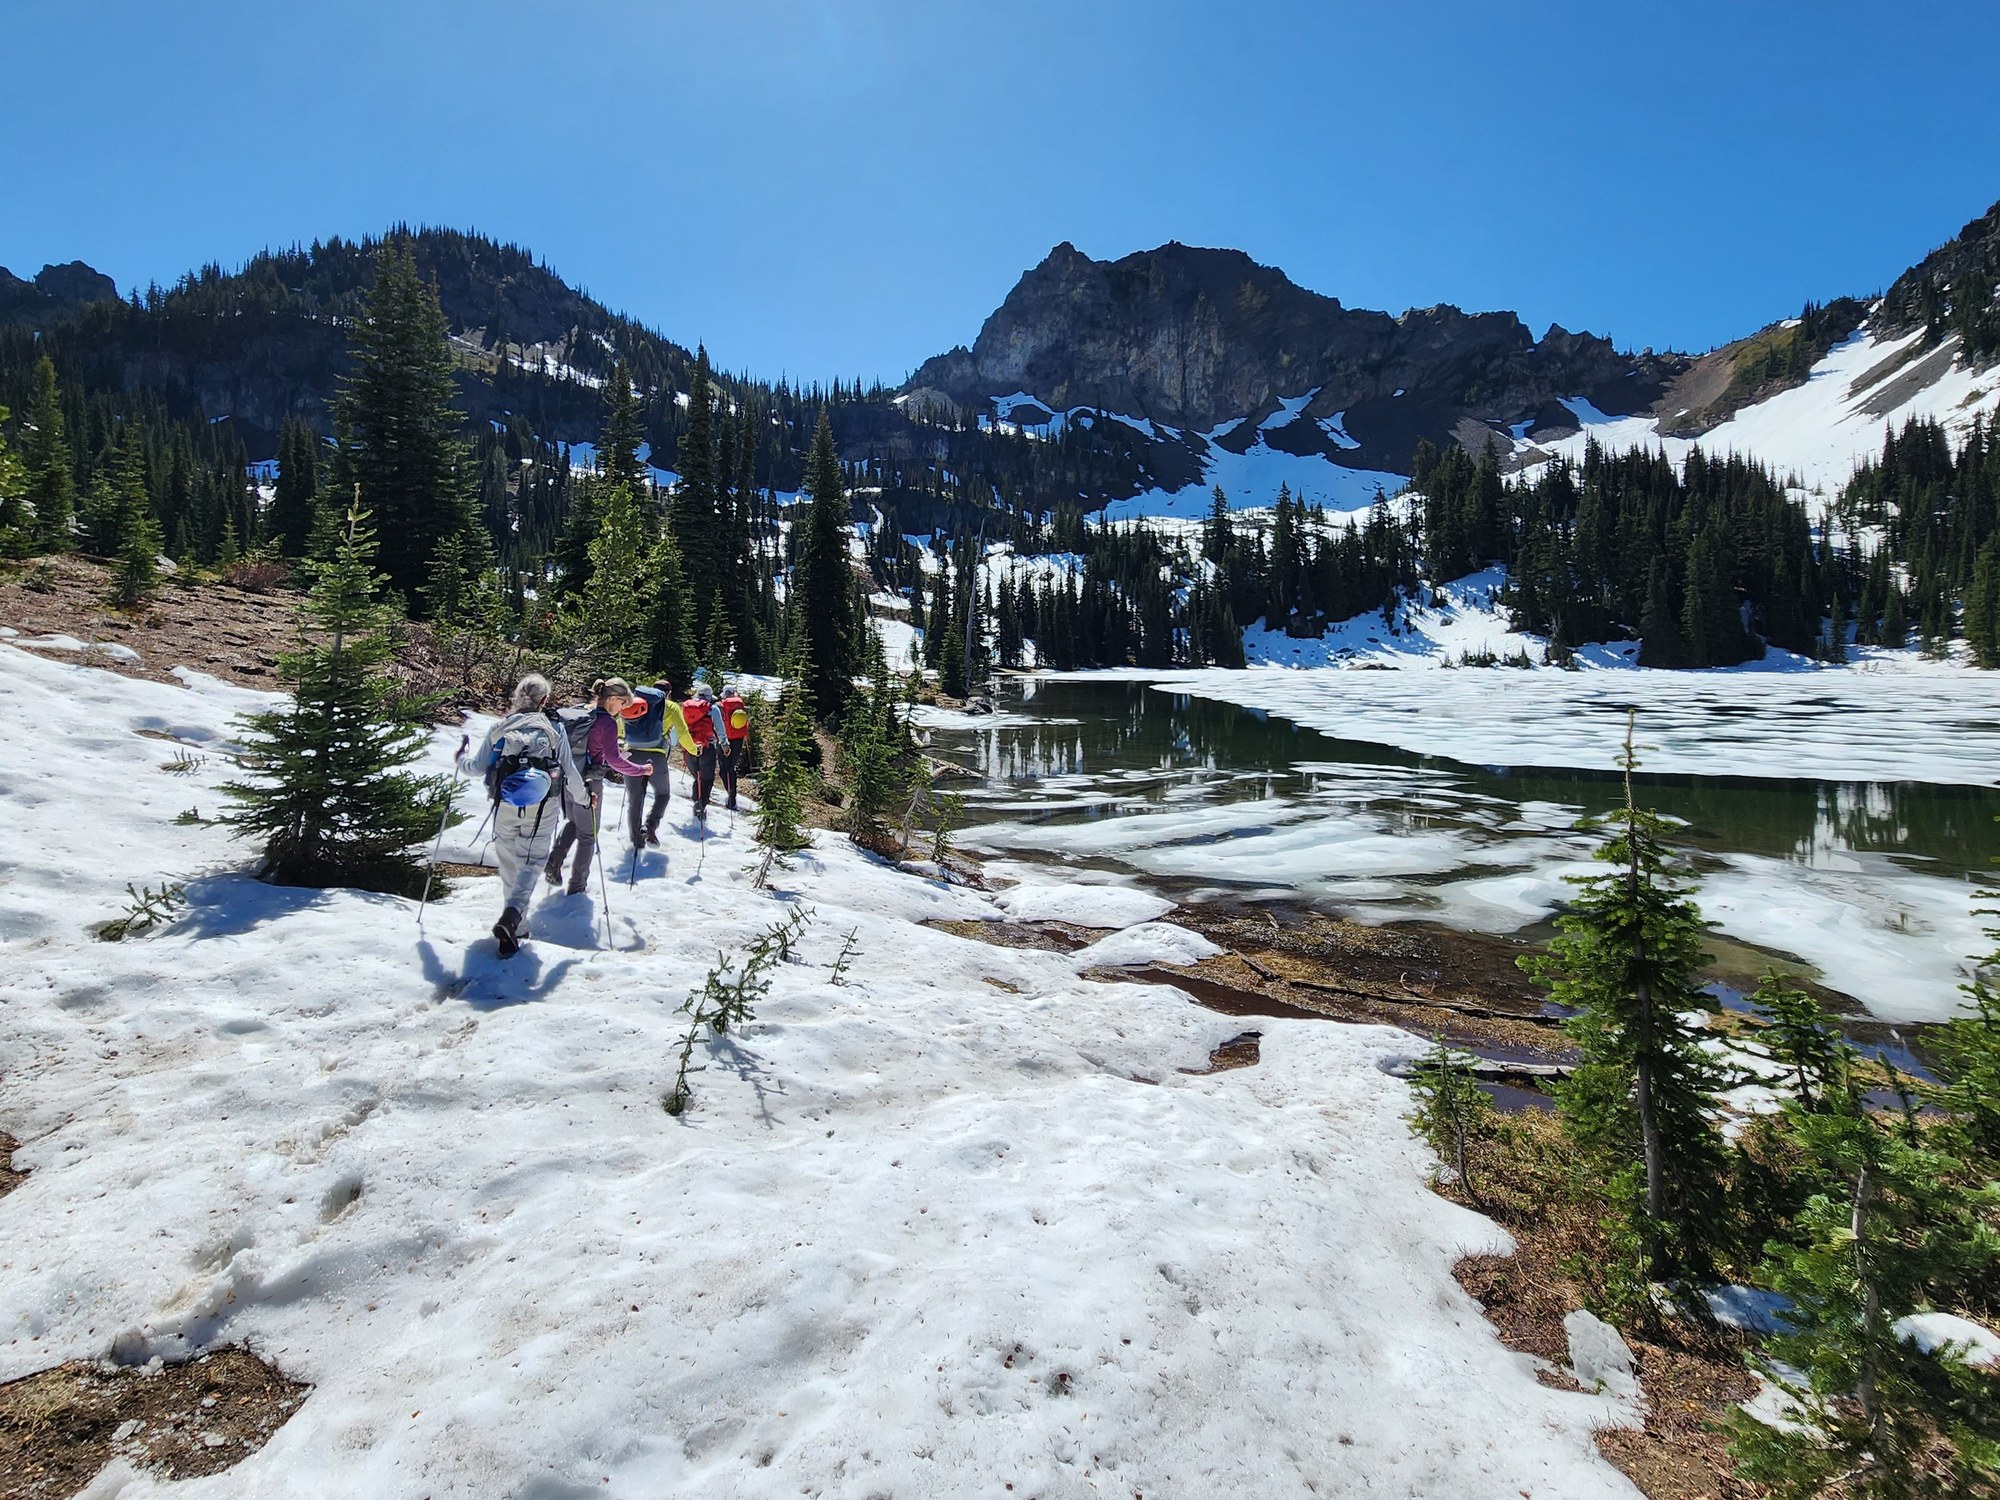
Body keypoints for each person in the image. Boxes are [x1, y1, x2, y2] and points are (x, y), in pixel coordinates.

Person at [457, 674, 588, 958]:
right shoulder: (554, 729)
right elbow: (569, 770)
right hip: (543, 805)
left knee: (509, 864)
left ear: (518, 697)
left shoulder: (500, 727)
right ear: (544, 700)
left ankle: (517, 926)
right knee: (533, 862)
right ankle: (514, 916)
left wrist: (459, 758)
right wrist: (585, 799)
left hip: (506, 802)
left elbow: (476, 768)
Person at [544, 677, 652, 892]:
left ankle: (554, 861)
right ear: (612, 698)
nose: (622, 709)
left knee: (574, 822)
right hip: (590, 782)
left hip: (567, 777)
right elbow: (615, 761)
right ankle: (577, 886)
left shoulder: (583, 714)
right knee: (588, 835)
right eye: (623, 703)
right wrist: (642, 770)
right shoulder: (607, 722)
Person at [618, 679, 687, 847]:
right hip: (656, 755)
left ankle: (637, 841)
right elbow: (682, 731)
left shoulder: (635, 703)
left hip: (631, 754)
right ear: (668, 694)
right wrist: (693, 750)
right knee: (663, 794)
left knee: (635, 798)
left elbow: (620, 727)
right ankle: (650, 825)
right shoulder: (671, 706)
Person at [679, 679, 728, 816]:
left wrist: (676, 743)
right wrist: (724, 745)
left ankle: (697, 801)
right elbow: (720, 730)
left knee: (698, 777)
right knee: (707, 778)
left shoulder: (686, 708)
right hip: (707, 748)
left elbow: (679, 727)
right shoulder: (713, 709)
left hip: (690, 748)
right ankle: (701, 805)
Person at [717, 681, 751, 811]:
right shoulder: (740, 704)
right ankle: (732, 796)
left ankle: (731, 795)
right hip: (738, 739)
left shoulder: (721, 705)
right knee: (731, 767)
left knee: (723, 769)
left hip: (725, 739)